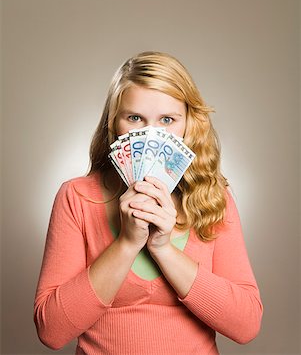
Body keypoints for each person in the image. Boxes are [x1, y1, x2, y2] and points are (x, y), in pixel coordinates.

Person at [33, 51, 263, 355]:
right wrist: (127, 243)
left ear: (187, 125)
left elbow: (246, 325)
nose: (151, 134)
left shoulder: (213, 197)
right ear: (114, 124)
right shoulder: (77, 197)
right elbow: (51, 330)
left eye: (167, 119)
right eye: (134, 118)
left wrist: (162, 248)